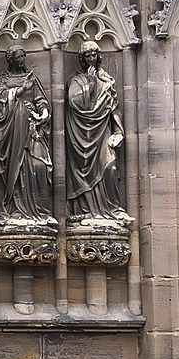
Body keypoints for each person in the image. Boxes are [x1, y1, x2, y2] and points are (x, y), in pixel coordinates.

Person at [65, 40, 130, 225]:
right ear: (82, 59)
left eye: (94, 54)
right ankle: (86, 210)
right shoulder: (76, 80)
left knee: (110, 167)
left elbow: (114, 107)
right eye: (87, 55)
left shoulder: (107, 80)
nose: (91, 58)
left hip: (102, 132)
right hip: (80, 135)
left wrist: (118, 131)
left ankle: (112, 208)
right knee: (84, 170)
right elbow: (74, 103)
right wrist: (91, 84)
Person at [0, 45, 54, 225]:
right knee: (18, 168)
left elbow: (40, 100)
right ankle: (17, 207)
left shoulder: (31, 78)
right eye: (18, 57)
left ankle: (39, 210)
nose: (21, 60)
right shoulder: (3, 78)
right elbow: (0, 98)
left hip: (32, 127)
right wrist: (21, 90)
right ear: (10, 59)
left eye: (23, 56)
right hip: (13, 130)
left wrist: (43, 113)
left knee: (39, 165)